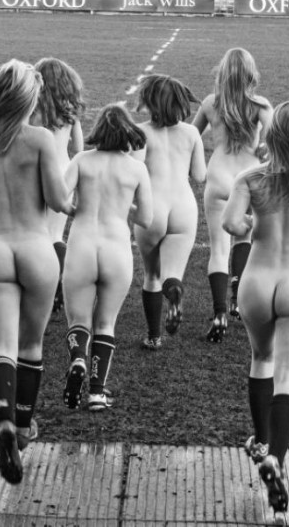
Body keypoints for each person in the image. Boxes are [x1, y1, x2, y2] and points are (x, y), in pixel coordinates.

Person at [0, 59, 73, 485]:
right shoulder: (41, 139)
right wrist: (77, 201)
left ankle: (2, 420)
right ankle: (22, 428)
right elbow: (58, 200)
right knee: (31, 346)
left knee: (1, 347)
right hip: (36, 249)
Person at [221, 100, 289, 515]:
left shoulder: (250, 177)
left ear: (273, 136)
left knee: (261, 359)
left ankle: (262, 440)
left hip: (257, 280)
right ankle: (275, 460)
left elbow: (230, 224)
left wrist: (253, 224)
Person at [61, 104, 153, 411]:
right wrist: (122, 204)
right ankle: (97, 394)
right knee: (106, 322)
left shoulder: (82, 160)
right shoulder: (136, 169)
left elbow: (59, 197)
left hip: (82, 246)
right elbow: (146, 219)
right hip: (116, 250)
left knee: (78, 320)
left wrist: (74, 208)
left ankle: (78, 359)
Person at [193, 48, 273, 343]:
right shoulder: (260, 105)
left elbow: (190, 135)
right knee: (244, 238)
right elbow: (276, 139)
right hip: (248, 180)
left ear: (223, 73)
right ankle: (237, 299)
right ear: (251, 74)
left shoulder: (210, 103)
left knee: (218, 250)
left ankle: (219, 313)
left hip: (218, 177)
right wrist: (264, 146)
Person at [132, 73, 206, 350]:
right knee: (171, 274)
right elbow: (199, 175)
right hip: (184, 207)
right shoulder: (191, 133)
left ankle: (153, 337)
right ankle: (174, 291)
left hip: (153, 207)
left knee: (152, 276)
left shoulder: (141, 131)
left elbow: (134, 171)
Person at [31, 57, 85, 314]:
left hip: (39, 172)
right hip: (65, 172)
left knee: (37, 233)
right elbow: (79, 147)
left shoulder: (34, 107)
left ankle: (41, 286)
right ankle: (59, 286)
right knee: (56, 234)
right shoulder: (70, 108)